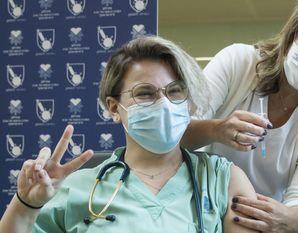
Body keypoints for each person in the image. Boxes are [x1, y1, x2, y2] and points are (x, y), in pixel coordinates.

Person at [0, 36, 258, 233]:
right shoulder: (76, 189)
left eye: (175, 91)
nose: (164, 103)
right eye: (146, 93)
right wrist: (25, 204)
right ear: (114, 108)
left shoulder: (222, 180)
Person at [182, 0, 298, 232]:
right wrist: (216, 130)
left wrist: (292, 219)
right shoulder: (238, 63)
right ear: (292, 35)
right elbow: (177, 135)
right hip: (199, 208)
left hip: (258, 222)